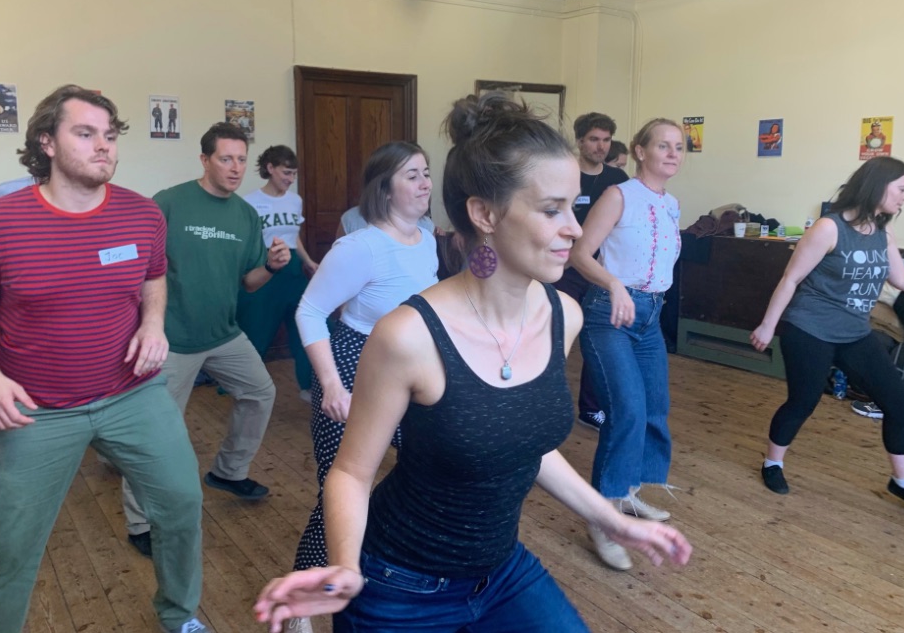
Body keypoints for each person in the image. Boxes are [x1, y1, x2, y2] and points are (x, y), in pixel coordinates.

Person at [254, 95, 691, 633]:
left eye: (572, 208)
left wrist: (608, 518)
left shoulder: (564, 317)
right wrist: (344, 567)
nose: (576, 230)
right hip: (400, 585)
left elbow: (527, 442)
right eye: (551, 210)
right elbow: (350, 472)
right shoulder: (408, 335)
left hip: (501, 574)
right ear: (484, 214)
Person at [0, 85, 207, 633]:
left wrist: (153, 324)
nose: (103, 146)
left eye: (109, 135)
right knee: (9, 544)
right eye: (85, 133)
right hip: (34, 408)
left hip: (131, 393)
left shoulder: (142, 214)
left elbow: (153, 277)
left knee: (182, 504)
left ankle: (179, 614)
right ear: (47, 142)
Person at [122, 121, 289, 558]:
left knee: (260, 392)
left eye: (241, 160)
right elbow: (137, 265)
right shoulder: (169, 203)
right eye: (225, 158)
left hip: (223, 334)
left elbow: (249, 282)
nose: (235, 168)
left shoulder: (245, 215)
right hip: (172, 340)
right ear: (204, 159)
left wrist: (272, 267)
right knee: (155, 431)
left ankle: (229, 472)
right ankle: (140, 521)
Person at [290, 142, 439, 587]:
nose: (425, 183)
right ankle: (306, 593)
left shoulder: (427, 239)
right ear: (385, 189)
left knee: (424, 473)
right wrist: (332, 385)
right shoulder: (360, 247)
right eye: (411, 175)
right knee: (340, 491)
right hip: (355, 366)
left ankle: (390, 570)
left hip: (411, 371)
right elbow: (310, 311)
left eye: (426, 172)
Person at [751, 157, 904, 517]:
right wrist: (768, 325)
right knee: (803, 401)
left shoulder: (882, 232)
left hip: (855, 333)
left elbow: (903, 279)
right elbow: (791, 278)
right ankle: (773, 463)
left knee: (898, 403)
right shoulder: (829, 228)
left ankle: (903, 482)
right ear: (878, 186)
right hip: (809, 329)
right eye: (902, 188)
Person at [568, 118, 684, 571]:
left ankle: (628, 493)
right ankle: (603, 519)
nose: (673, 154)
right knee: (628, 409)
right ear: (639, 151)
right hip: (610, 313)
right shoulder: (618, 196)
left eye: (679, 147)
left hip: (649, 315)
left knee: (654, 406)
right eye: (663, 145)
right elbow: (579, 253)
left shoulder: (671, 204)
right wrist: (614, 284)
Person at [555, 113, 628, 433]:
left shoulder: (618, 178)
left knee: (597, 342)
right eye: (594, 139)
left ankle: (591, 408)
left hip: (600, 272)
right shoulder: (564, 173)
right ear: (580, 141)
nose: (601, 146)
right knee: (557, 338)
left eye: (606, 140)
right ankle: (546, 402)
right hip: (564, 270)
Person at [237, 145, 318, 398]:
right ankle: (242, 387)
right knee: (256, 331)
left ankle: (307, 386)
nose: (291, 179)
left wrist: (308, 262)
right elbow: (246, 242)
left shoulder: (295, 200)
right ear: (270, 168)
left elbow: (294, 237)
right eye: (286, 172)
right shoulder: (249, 202)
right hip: (264, 270)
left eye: (294, 173)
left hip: (293, 272)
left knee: (305, 327)